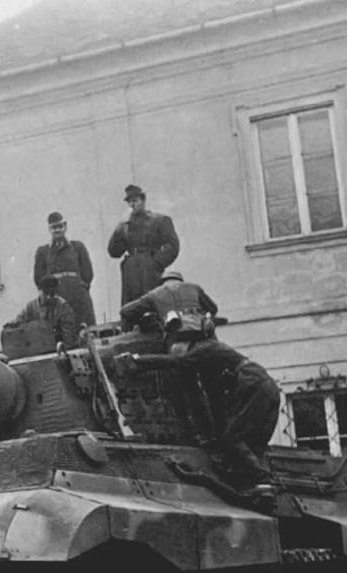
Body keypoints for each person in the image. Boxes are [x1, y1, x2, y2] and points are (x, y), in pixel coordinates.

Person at [116, 339, 279, 486]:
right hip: (265, 385)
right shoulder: (215, 358)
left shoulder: (203, 349)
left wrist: (139, 360)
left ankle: (261, 477)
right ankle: (258, 480)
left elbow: (177, 361)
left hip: (252, 384)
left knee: (233, 437)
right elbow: (216, 404)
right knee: (253, 441)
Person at [107, 184, 180, 304]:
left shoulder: (159, 220)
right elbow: (114, 252)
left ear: (143, 201)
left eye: (135, 201)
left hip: (149, 270)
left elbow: (173, 246)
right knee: (131, 307)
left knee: (152, 303)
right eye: (129, 202)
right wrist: (119, 227)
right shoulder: (125, 225)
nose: (132, 205)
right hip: (131, 271)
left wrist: (156, 263)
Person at [33, 212, 96, 326]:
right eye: (54, 227)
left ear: (65, 226)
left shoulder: (77, 247)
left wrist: (79, 288)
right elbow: (38, 278)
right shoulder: (43, 252)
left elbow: (88, 273)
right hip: (55, 297)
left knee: (84, 328)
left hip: (78, 297)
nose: (57, 230)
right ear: (49, 229)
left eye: (60, 226)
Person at [119, 269, 218, 335]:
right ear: (181, 280)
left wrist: (147, 321)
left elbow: (125, 311)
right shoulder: (194, 288)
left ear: (162, 283)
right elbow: (213, 308)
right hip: (201, 332)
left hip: (175, 334)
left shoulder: (155, 294)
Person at [5, 275, 80, 349]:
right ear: (39, 290)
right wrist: (12, 324)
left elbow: (68, 334)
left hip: (56, 348)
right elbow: (20, 320)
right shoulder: (31, 306)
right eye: (46, 293)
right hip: (36, 347)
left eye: (52, 294)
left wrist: (66, 348)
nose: (49, 297)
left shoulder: (63, 307)